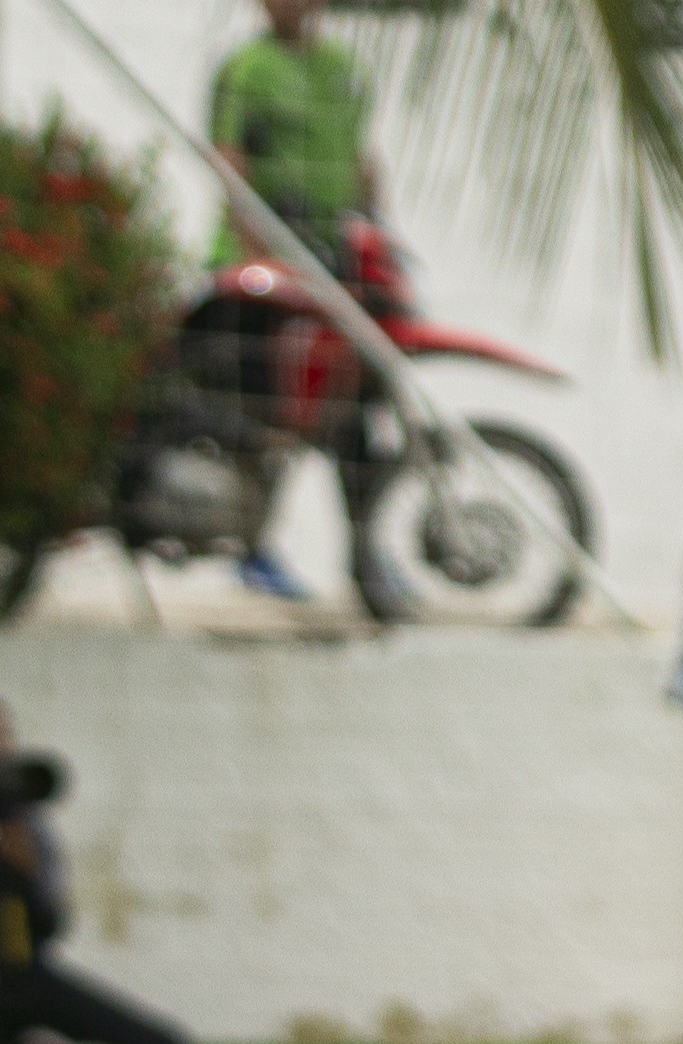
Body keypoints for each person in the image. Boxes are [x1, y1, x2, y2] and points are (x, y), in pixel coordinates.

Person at [207, 0, 380, 602]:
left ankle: (368, 555)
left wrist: (375, 235)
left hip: (330, 268)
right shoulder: (247, 69)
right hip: (264, 273)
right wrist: (259, 252)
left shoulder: (341, 67)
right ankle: (251, 547)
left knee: (352, 407)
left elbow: (362, 160)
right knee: (264, 411)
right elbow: (229, 161)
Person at [0, 696, 192, 1044]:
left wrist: (23, 868)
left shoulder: (19, 823)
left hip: (21, 977)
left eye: (0, 737)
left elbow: (49, 926)